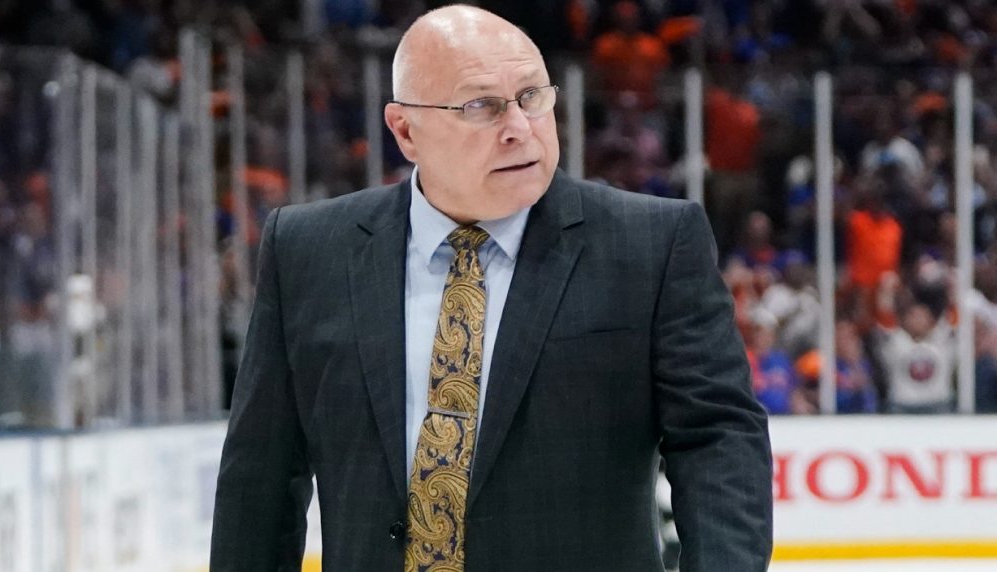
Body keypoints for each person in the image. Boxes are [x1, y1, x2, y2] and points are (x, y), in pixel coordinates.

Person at [210, 6, 772, 571]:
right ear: (406, 129)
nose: (519, 129)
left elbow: (717, 438)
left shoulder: (651, 244)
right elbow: (260, 474)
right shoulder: (308, 250)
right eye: (482, 106)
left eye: (532, 97)